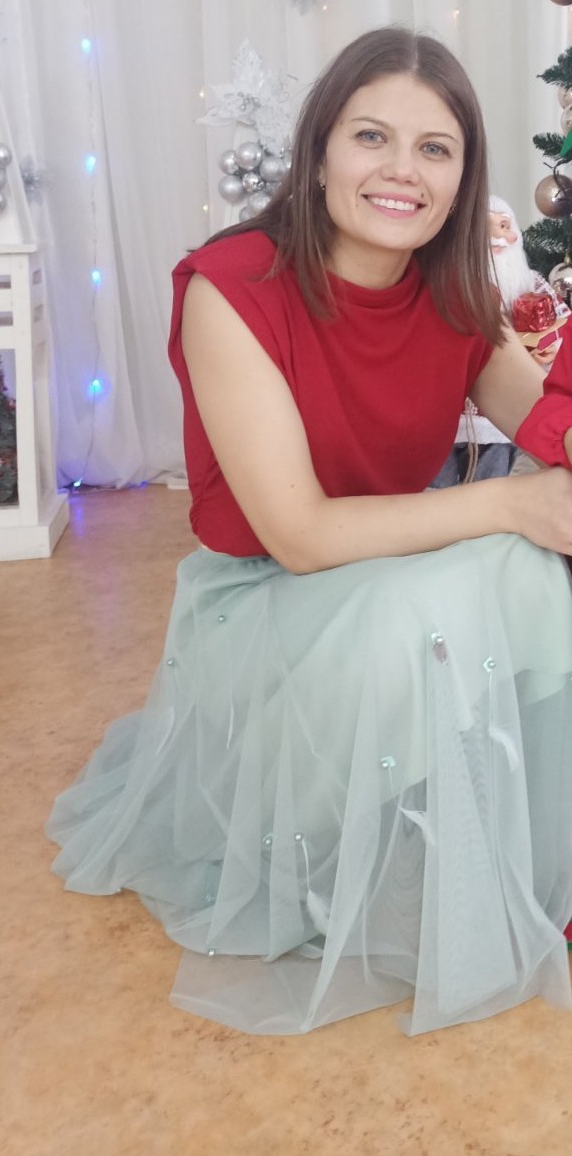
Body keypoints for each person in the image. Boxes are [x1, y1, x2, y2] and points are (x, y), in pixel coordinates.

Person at [46, 27, 572, 1037]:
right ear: (320, 148)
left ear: (462, 179)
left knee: (523, 563)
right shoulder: (233, 285)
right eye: (372, 136)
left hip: (387, 573)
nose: (401, 171)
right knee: (489, 554)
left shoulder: (452, 288)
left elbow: (541, 419)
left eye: (434, 148)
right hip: (268, 596)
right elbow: (295, 534)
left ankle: (531, 838)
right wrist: (511, 502)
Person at [430, 194, 571, 488]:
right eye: (484, 228)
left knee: (493, 475)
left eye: (504, 225)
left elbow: (560, 324)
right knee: (436, 481)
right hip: (450, 415)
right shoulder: (448, 291)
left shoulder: (531, 283)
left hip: (503, 419)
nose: (496, 235)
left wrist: (548, 348)